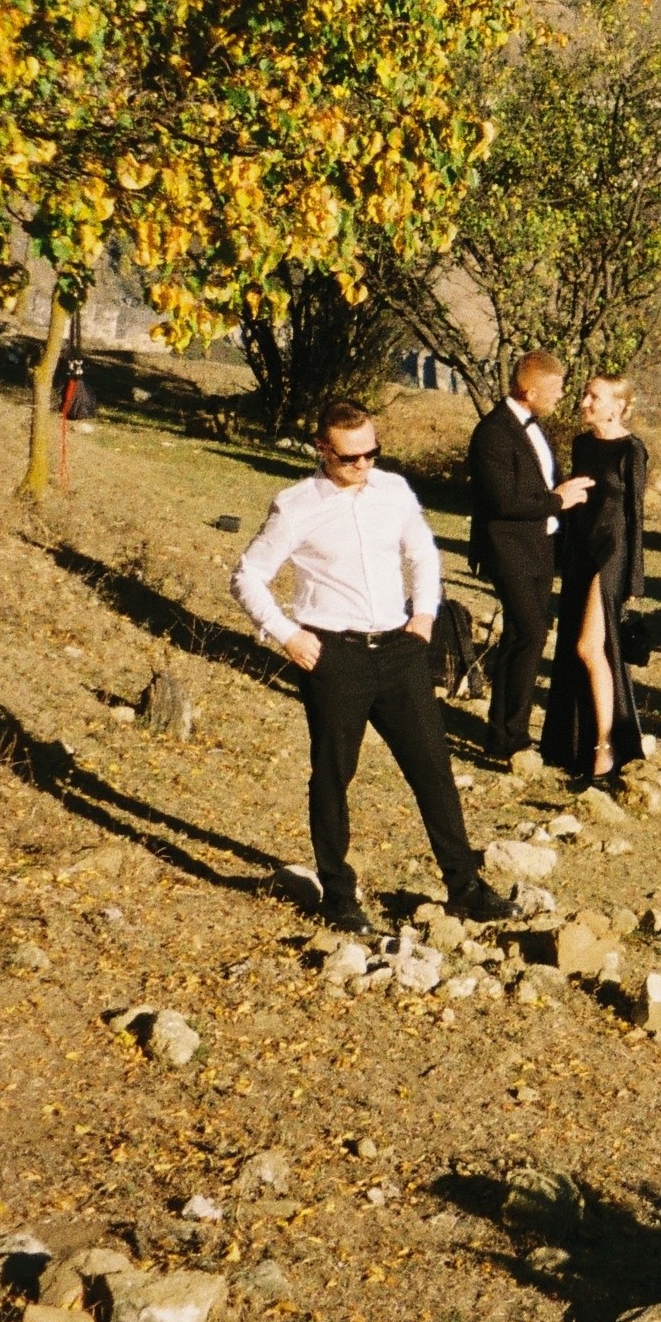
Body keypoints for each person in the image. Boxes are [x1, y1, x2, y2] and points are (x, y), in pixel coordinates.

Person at [233, 397, 484, 933]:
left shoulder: (392, 490)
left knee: (432, 769)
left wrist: (424, 615)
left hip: (400, 649)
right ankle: (338, 894)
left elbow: (422, 551)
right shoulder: (295, 506)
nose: (364, 465)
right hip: (333, 653)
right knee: (333, 775)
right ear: (323, 450)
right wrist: (287, 634)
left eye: (373, 452)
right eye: (352, 457)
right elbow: (248, 576)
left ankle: (465, 885)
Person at [467, 350, 590, 767]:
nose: (561, 396)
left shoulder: (537, 429)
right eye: (554, 389)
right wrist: (558, 499)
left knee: (523, 637)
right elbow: (504, 500)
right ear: (529, 388)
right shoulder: (493, 434)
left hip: (539, 547)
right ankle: (509, 736)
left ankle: (502, 730)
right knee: (530, 633)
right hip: (509, 549)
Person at [542, 375, 650, 785]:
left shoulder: (631, 449)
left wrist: (634, 581)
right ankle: (575, 745)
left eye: (595, 397)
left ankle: (606, 750)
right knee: (577, 649)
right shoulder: (581, 445)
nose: (584, 402)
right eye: (585, 394)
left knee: (590, 647)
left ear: (618, 406)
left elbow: (635, 517)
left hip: (612, 555)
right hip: (578, 555)